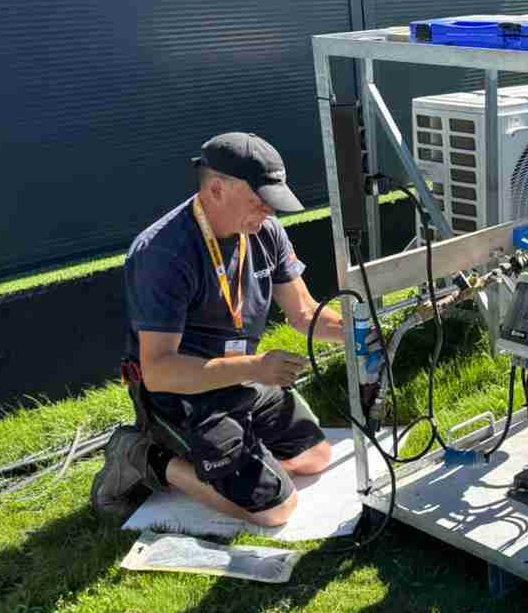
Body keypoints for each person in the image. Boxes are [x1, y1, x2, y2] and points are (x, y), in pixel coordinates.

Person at [91, 132, 368, 527]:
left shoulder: (264, 232)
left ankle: (231, 450)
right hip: (183, 394)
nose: (268, 214)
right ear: (217, 189)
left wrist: (357, 333)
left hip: (243, 378)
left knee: (315, 457)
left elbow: (305, 313)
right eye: (259, 202)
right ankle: (144, 455)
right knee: (275, 510)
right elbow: (160, 371)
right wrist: (256, 367)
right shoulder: (162, 253)